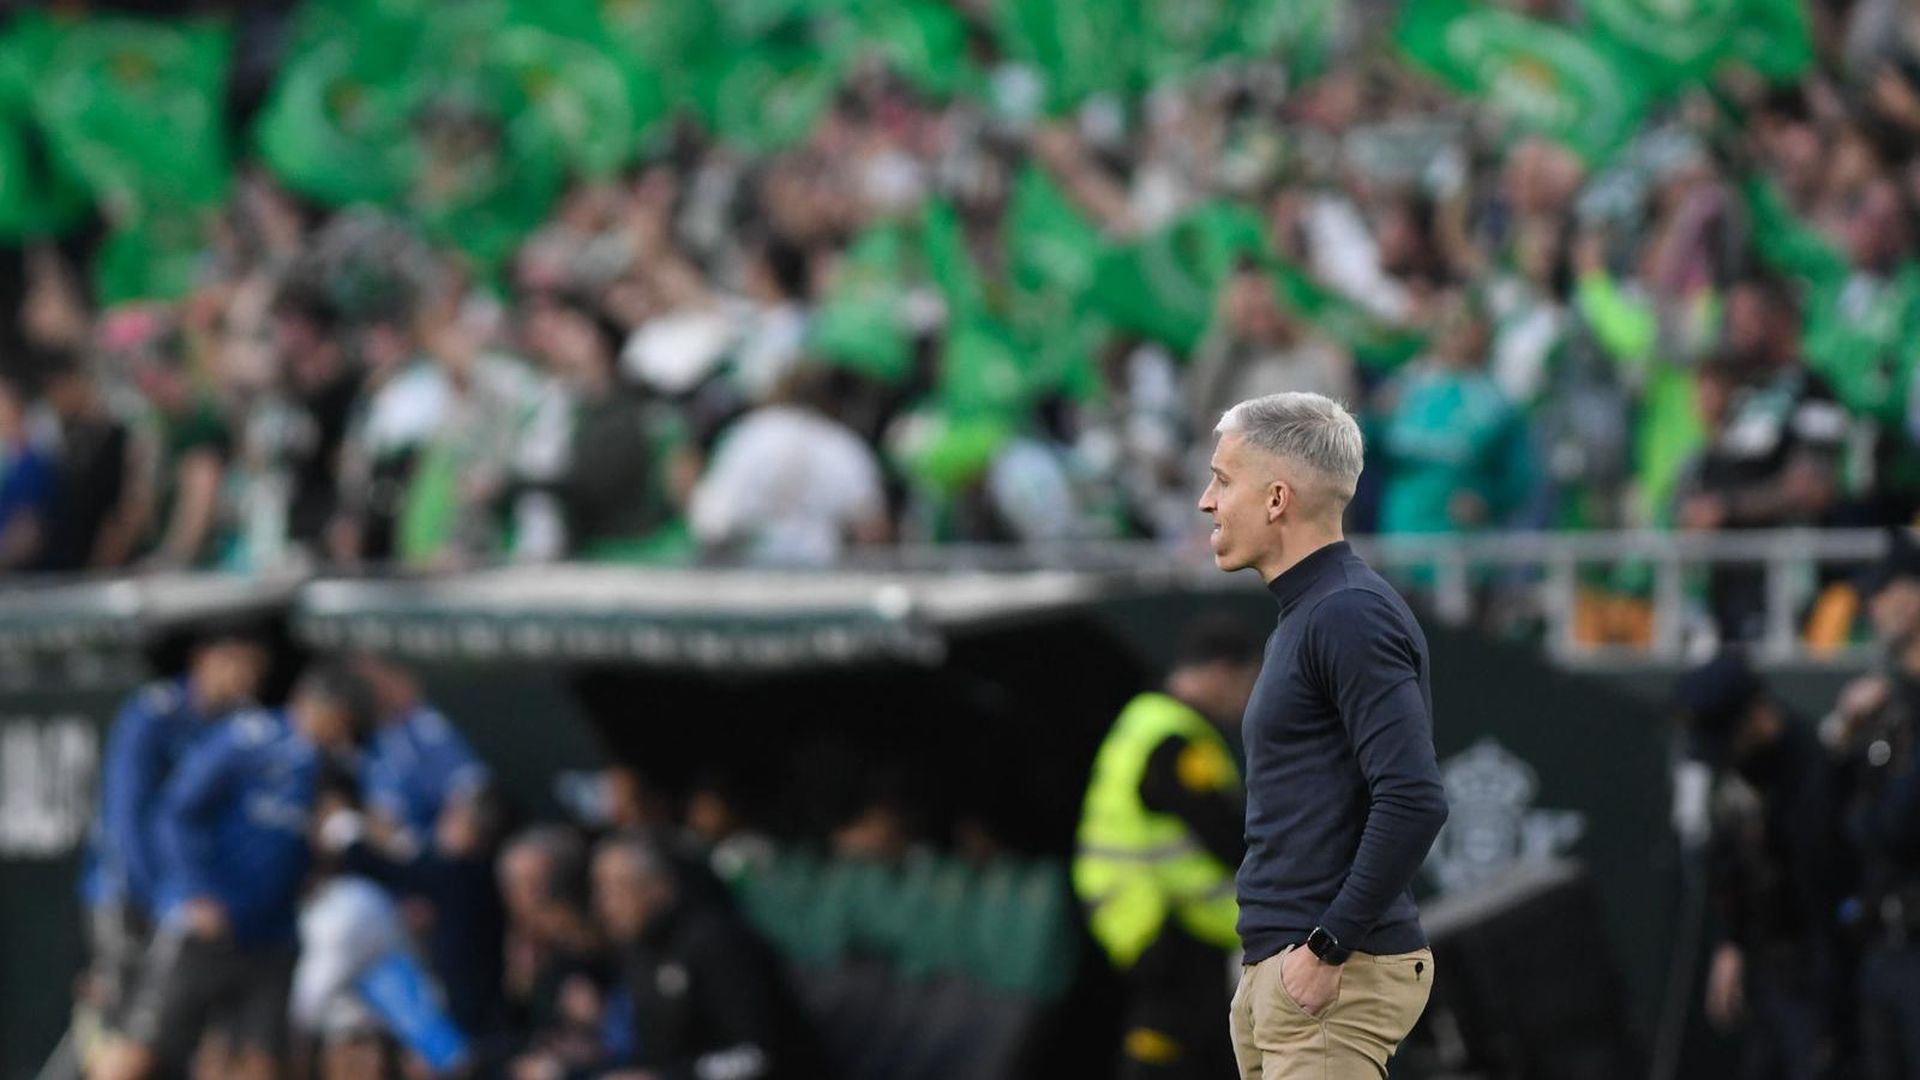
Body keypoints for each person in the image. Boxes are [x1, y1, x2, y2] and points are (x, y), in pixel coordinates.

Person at [1199, 391, 1449, 1077]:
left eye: (1223, 480)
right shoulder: (1313, 610)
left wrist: (1326, 948)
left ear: (1277, 499)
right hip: (1285, 977)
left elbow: (1415, 797)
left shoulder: (1346, 612)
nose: (1206, 501)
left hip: (1329, 978)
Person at [92, 662, 374, 1080]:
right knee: (142, 1049)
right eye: (339, 721)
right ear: (315, 704)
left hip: (272, 937)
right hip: (209, 928)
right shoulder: (248, 739)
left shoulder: (331, 770)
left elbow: (321, 845)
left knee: (261, 1063)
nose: (341, 735)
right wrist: (194, 892)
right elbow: (176, 814)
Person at [1075, 612, 1264, 1080]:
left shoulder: (1148, 719)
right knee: (1177, 1030)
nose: (1249, 696)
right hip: (1161, 914)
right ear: (1222, 671)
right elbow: (1225, 835)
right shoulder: (1174, 738)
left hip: (1133, 910)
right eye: (1247, 680)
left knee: (1189, 1032)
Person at [78, 627, 270, 1055]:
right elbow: (124, 819)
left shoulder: (241, 729)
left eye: (254, 670)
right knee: (126, 1032)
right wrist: (158, 896)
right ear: (203, 658)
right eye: (236, 664)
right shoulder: (154, 714)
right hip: (129, 897)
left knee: (183, 1037)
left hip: (191, 905)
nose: (246, 679)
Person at [1674, 650, 1848, 1080]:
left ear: (1756, 716)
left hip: (1815, 970)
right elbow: (1728, 863)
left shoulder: (1811, 775)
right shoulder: (1741, 773)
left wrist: (1831, 1006)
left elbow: (1822, 895)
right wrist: (1731, 945)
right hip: (1766, 966)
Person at [591, 831, 818, 1080]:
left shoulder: (718, 944)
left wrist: (669, 1078)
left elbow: (759, 1055)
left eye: (617, 887)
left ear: (658, 888)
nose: (604, 903)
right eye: (600, 888)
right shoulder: (639, 955)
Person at [1826, 526, 1920, 1079]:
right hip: (1883, 945)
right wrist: (1842, 736)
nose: (1872, 608)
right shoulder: (1886, 708)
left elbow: (1892, 825)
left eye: (1883, 594)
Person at [353, 653, 488, 857]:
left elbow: (473, 791)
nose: (369, 693)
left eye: (374, 683)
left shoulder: (425, 728)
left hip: (422, 859)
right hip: (375, 858)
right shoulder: (362, 736)